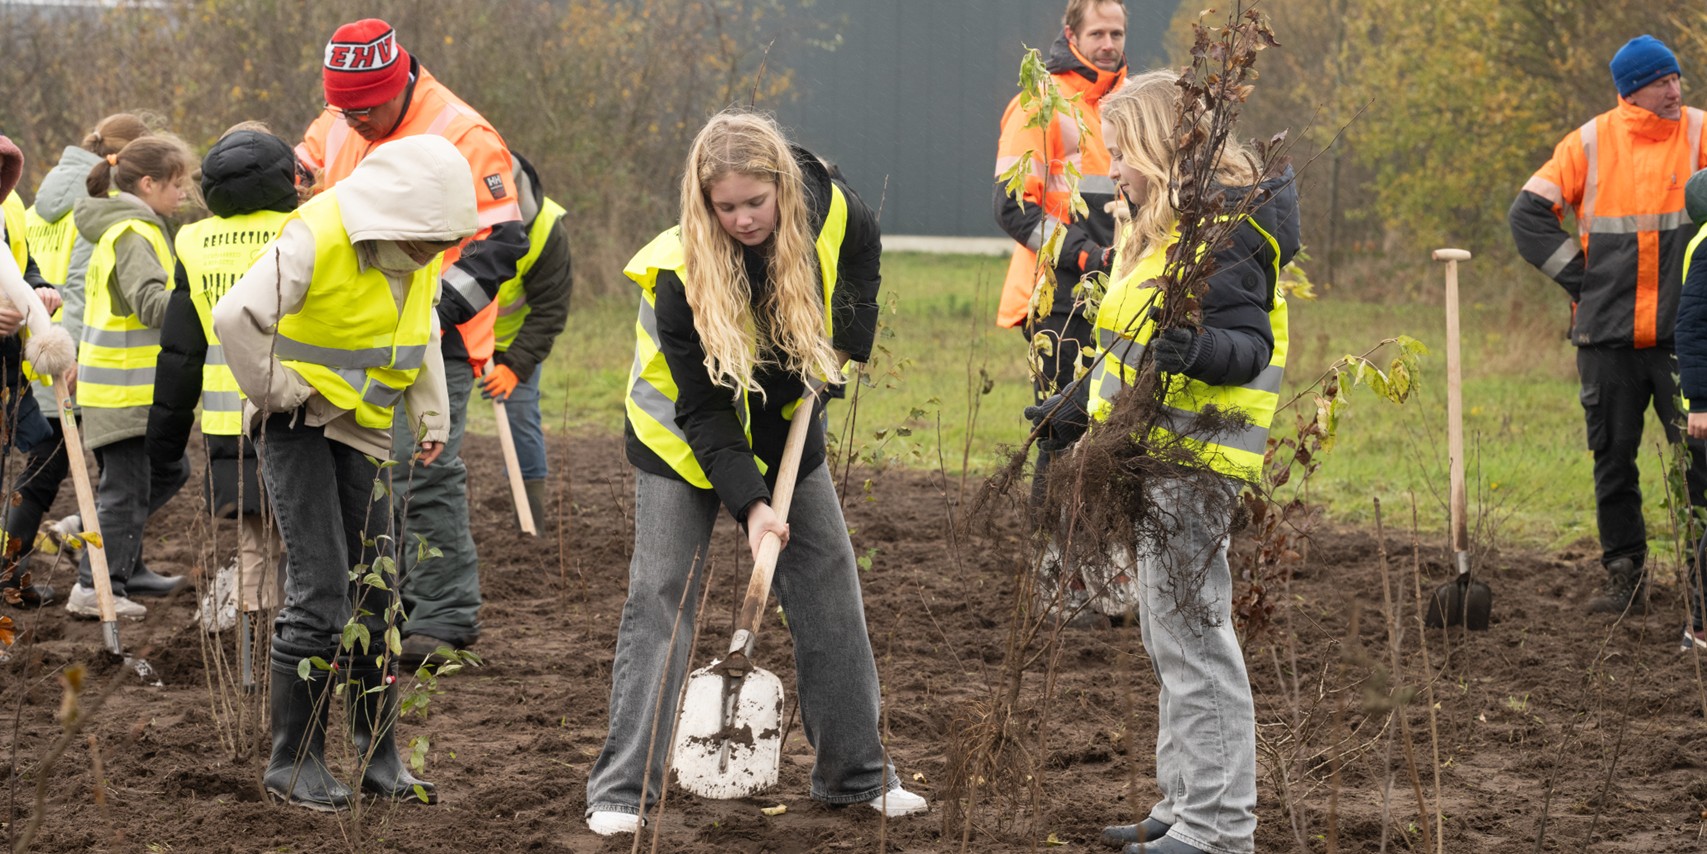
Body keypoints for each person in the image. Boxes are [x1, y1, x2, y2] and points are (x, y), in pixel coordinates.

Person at [583, 110, 924, 836]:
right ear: (702, 202)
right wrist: (752, 507)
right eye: (725, 207)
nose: (742, 219)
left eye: (755, 203)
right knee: (662, 593)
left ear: (784, 189)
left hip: (784, 421)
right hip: (682, 438)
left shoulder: (829, 206)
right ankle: (622, 790)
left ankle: (857, 778)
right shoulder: (679, 272)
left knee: (827, 577)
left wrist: (847, 341)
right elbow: (704, 413)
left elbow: (862, 253)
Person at [1028, 70, 1298, 854]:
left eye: (1120, 152)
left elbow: (1247, 345)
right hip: (1151, 457)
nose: (1112, 168)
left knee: (1193, 640)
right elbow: (1130, 351)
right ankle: (1184, 804)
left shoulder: (1224, 235)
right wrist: (1075, 407)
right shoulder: (1161, 231)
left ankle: (1217, 828)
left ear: (1158, 148)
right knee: (1166, 635)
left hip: (1194, 459)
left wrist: (1198, 349)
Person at [214, 134, 476, 811]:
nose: (429, 255)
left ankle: (378, 757)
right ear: (391, 216)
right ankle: (293, 761)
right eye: (423, 244)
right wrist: (276, 390)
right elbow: (235, 315)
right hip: (297, 422)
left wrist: (431, 413)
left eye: (439, 245)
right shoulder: (318, 233)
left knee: (379, 589)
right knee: (323, 587)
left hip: (363, 424)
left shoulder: (418, 250)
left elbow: (421, 332)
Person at [296, 18, 528, 664]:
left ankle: (444, 614)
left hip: (438, 334)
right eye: (343, 110)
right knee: (355, 470)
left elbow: (502, 241)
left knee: (422, 469)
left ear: (399, 84)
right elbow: (300, 176)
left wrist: (430, 313)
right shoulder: (339, 119)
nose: (354, 122)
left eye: (364, 110)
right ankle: (370, 610)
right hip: (349, 329)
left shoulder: (463, 132)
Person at [1511, 34, 1707, 616]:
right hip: (1607, 340)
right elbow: (1527, 216)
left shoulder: (1700, 131)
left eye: (1676, 79)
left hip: (1683, 338)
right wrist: (1584, 282)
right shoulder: (1588, 143)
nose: (1674, 90)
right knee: (1613, 463)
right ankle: (1625, 580)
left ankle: (1703, 587)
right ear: (1631, 91)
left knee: (1700, 466)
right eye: (1661, 82)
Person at [993, 0, 1128, 624]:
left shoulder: (1134, 105)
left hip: (1124, 296)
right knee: (1063, 433)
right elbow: (1013, 207)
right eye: (1097, 32)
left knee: (1119, 436)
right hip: (1056, 298)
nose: (1109, 43)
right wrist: (1084, 256)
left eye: (1117, 32)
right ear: (1071, 35)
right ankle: (1056, 579)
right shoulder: (1039, 103)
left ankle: (1107, 576)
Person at [148, 125, 297, 675]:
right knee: (311, 537)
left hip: (227, 420)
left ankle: (254, 667)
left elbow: (181, 351)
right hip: (298, 409)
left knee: (256, 539)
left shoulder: (193, 241)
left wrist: (165, 441)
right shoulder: (302, 229)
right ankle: (303, 656)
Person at [8, 115, 152, 584]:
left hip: (33, 345)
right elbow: (78, 289)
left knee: (46, 471)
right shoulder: (96, 204)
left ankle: (22, 566)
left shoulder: (37, 203)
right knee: (83, 474)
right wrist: (68, 359)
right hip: (62, 356)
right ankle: (17, 569)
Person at [62, 134, 194, 621]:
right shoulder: (134, 233)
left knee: (168, 472)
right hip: (123, 391)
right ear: (148, 183)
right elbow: (151, 304)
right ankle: (94, 586)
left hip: (116, 388)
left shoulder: (125, 228)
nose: (184, 193)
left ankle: (115, 555)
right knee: (125, 493)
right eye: (177, 183)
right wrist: (199, 293)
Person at [477, 152, 571, 526]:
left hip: (510, 345)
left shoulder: (548, 232)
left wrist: (515, 366)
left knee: (520, 419)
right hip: (450, 335)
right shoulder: (453, 214)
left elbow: (550, 310)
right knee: (431, 421)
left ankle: (530, 523)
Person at [0, 133, 65, 611]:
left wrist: (40, 289)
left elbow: (22, 265)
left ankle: (7, 573)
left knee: (43, 450)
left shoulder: (10, 205)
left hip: (7, 372)